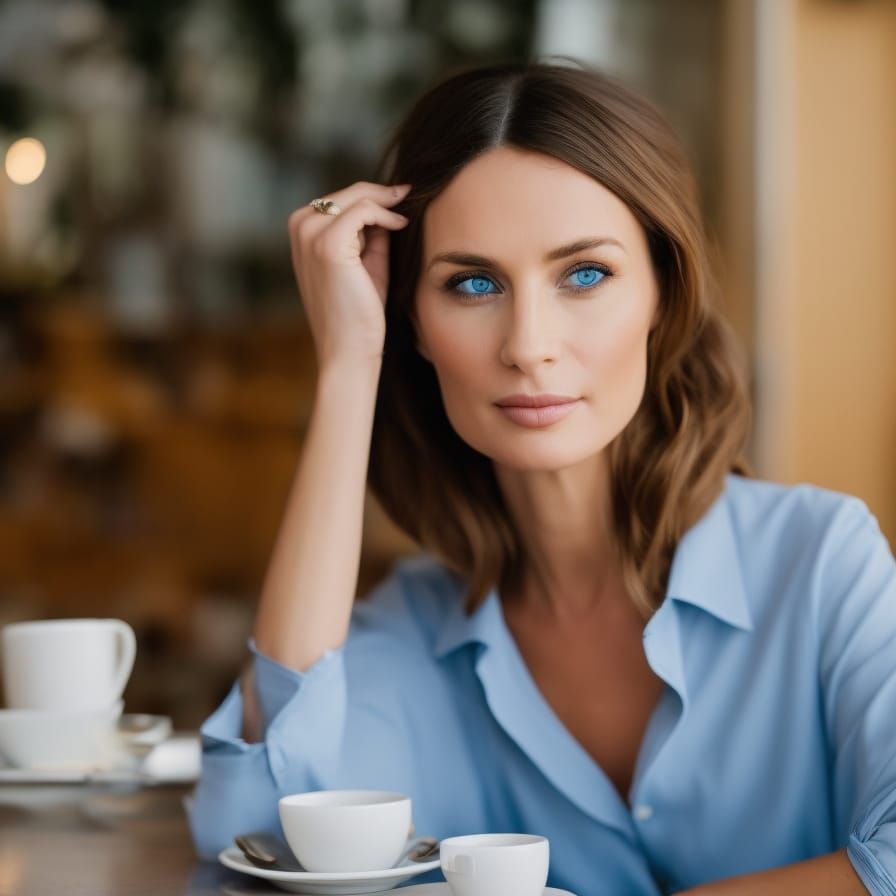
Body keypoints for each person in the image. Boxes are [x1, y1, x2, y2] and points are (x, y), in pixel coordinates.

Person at [185, 58, 896, 896]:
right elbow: (264, 831)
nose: (529, 344)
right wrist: (347, 366)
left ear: (663, 293)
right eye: (473, 284)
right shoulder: (414, 630)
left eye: (585, 274)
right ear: (413, 321)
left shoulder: (818, 562)